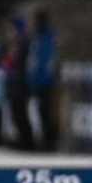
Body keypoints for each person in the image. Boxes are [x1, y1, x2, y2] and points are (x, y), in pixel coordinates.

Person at [26, 9, 59, 151]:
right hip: (38, 80)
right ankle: (43, 139)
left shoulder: (47, 37)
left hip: (45, 80)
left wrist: (45, 77)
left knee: (45, 111)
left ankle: (49, 140)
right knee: (39, 111)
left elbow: (46, 60)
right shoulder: (38, 37)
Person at [3, 15, 32, 149]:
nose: (9, 32)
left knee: (21, 112)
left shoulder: (24, 44)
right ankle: (22, 138)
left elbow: (22, 65)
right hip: (14, 83)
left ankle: (27, 140)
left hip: (21, 84)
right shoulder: (14, 45)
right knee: (15, 112)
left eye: (11, 29)